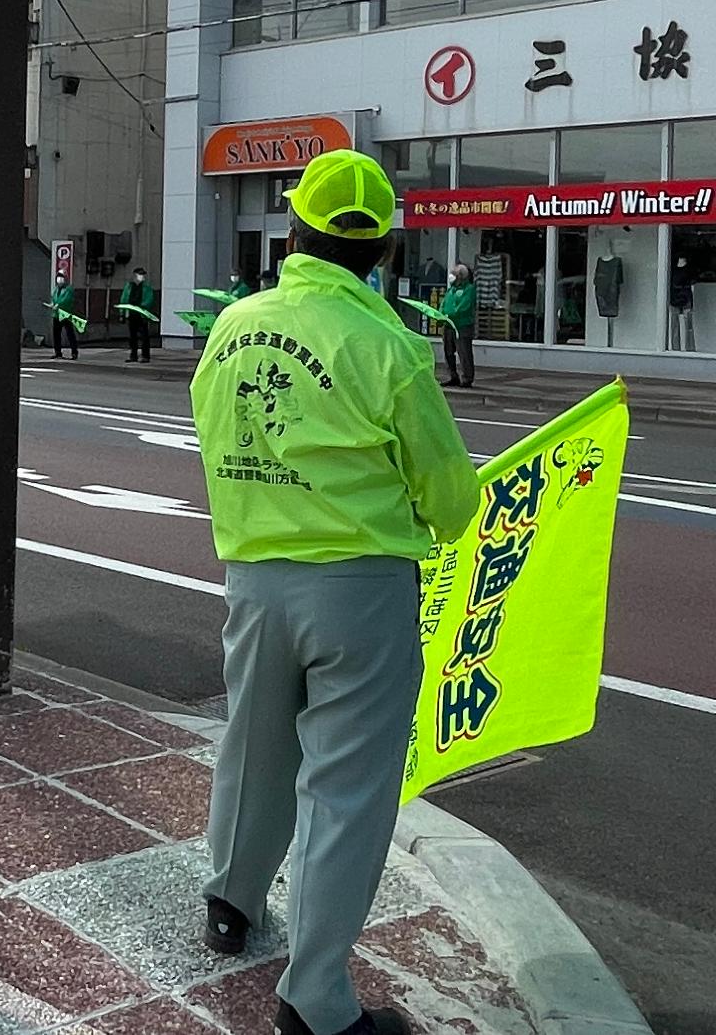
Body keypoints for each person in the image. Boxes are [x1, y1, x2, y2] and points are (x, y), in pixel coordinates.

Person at [191, 150, 476, 1035]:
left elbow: (209, 432)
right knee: (345, 790)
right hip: (359, 590)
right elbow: (452, 501)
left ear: (296, 231)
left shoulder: (235, 325)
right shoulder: (388, 346)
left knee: (254, 747)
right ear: (384, 248)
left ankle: (231, 903)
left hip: (254, 576)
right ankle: (315, 1001)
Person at [441, 262, 477, 389]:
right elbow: (444, 303)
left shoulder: (469, 289)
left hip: (462, 326)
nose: (452, 276)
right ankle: (452, 376)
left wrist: (450, 315)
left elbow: (464, 307)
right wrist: (441, 314)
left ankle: (467, 378)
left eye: (455, 274)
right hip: (449, 325)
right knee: (448, 351)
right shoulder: (451, 289)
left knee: (464, 352)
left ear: (461, 276)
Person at [120, 265, 156, 362]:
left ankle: (145, 356)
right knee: (132, 336)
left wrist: (142, 306)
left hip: (141, 314)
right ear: (135, 275)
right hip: (131, 314)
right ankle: (133, 355)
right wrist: (122, 313)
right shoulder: (129, 286)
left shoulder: (146, 288)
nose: (142, 277)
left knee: (144, 336)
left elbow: (149, 300)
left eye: (143, 275)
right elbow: (124, 299)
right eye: (140, 274)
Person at [50, 272, 80, 359]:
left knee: (70, 333)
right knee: (56, 334)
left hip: (65, 314)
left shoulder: (68, 289)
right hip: (56, 315)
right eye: (58, 278)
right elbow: (53, 298)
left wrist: (58, 305)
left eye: (61, 278)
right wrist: (53, 304)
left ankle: (74, 352)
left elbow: (67, 300)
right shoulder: (56, 289)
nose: (59, 280)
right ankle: (57, 352)